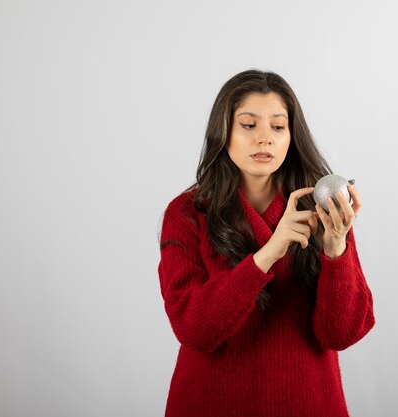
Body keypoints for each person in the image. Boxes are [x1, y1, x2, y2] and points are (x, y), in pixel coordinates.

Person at [157, 69, 375, 417]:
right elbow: (194, 330)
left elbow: (341, 334)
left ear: (291, 136)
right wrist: (272, 249)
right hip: (209, 403)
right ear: (223, 131)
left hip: (308, 403)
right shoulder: (187, 213)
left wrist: (337, 248)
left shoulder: (321, 208)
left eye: (277, 126)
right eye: (248, 125)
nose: (265, 139)